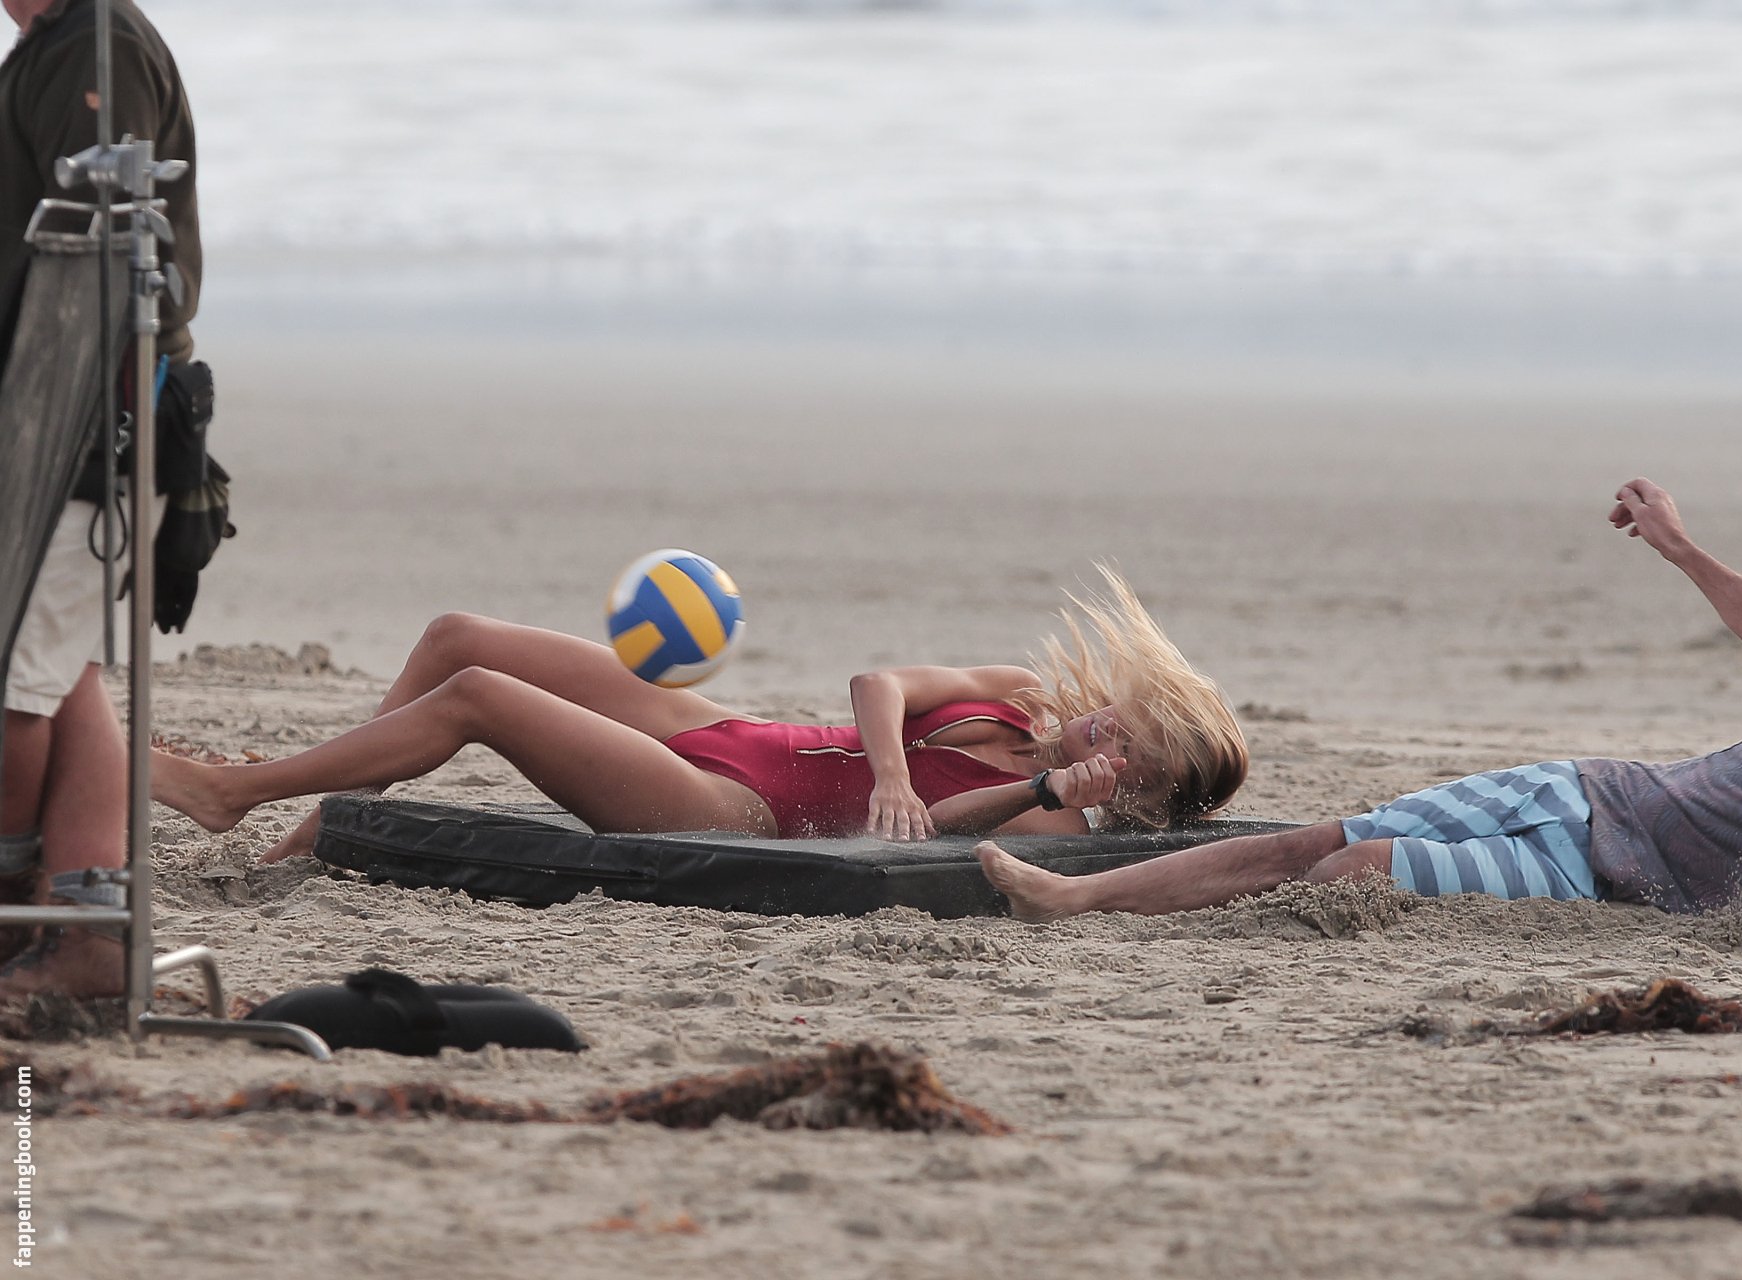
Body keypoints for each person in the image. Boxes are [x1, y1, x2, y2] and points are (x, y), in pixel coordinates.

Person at [977, 478, 1742, 924]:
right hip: (1588, 792)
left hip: (1607, 883)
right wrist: (1677, 545)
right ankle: (1075, 897)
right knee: (1316, 842)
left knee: (1353, 873)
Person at [152, 569, 1249, 862]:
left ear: (1135, 791)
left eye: (1132, 756)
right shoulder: (1021, 691)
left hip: (734, 805)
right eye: (1126, 719)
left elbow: (933, 838)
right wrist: (897, 771)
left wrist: (1045, 785)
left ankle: (233, 794)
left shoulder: (1052, 816)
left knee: (478, 700)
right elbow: (877, 682)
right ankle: (337, 812)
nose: (1106, 734)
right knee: (456, 637)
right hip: (740, 730)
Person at [0, 0, 200, 999]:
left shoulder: (95, 43)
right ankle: (85, 916)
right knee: (58, 666)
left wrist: (86, 436)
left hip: (82, 420)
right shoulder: (55, 43)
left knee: (13, 685)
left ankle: (19, 910)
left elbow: (109, 263)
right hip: (49, 414)